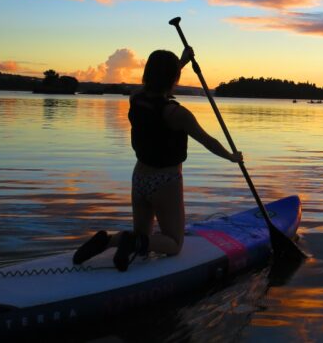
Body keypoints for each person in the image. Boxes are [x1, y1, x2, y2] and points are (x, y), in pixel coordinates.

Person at [72, 47, 242, 271]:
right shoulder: (177, 114)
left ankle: (109, 241)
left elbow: (157, 82)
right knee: (174, 243)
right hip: (165, 181)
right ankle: (131, 243)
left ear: (147, 73)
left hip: (139, 178)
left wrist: (181, 62)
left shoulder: (135, 98)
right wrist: (231, 156)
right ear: (174, 78)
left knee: (142, 234)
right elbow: (208, 141)